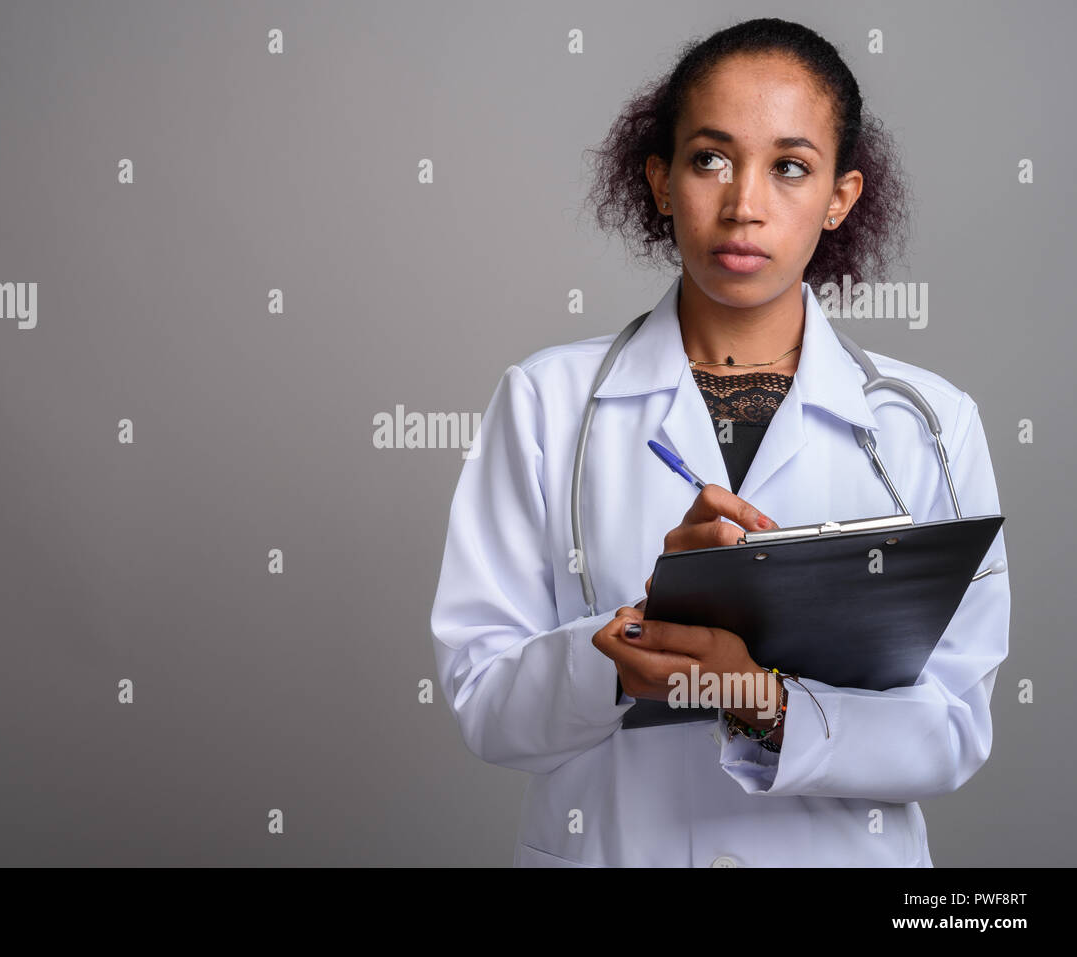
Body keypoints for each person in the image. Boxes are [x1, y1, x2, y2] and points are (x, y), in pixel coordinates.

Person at [428, 17, 1009, 867]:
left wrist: (760, 699)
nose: (744, 205)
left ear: (839, 196)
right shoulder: (546, 400)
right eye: (709, 159)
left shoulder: (929, 419)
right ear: (661, 181)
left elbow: (955, 725)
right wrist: (635, 641)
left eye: (790, 166)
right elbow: (485, 703)